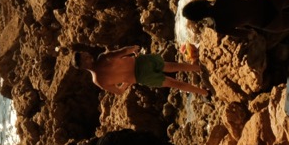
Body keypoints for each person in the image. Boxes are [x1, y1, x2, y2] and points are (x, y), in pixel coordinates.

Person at [73, 44, 208, 97]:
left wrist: (127, 82)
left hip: (139, 77)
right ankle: (200, 69)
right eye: (86, 56)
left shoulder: (97, 81)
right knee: (171, 67)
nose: (88, 55)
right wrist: (133, 48)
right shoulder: (102, 58)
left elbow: (119, 91)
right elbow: (122, 51)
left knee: (173, 82)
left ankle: (204, 92)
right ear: (84, 63)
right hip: (141, 63)